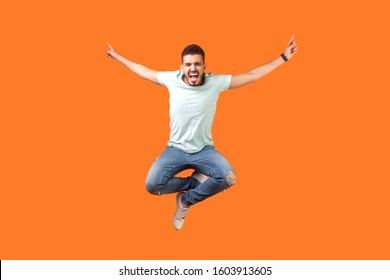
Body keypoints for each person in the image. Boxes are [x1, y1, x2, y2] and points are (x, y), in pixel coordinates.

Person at [106, 35, 298, 230]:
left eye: (197, 64)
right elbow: (144, 70)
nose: (193, 69)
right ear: (181, 67)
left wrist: (283, 57)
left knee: (227, 178)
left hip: (204, 150)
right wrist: (118, 56)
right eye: (188, 64)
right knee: (152, 186)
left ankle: (186, 201)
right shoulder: (171, 79)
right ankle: (195, 181)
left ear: (204, 67)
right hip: (175, 149)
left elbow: (251, 75)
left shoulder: (216, 83)